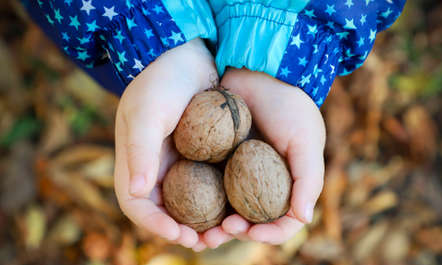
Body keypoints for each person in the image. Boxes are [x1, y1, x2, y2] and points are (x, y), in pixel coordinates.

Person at [21, 0, 406, 251]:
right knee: (144, 99)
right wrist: (142, 33)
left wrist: (288, 46)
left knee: (147, 100)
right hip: (126, 30)